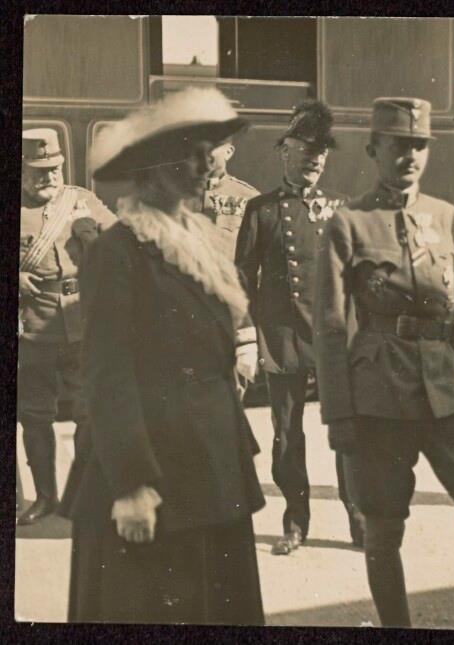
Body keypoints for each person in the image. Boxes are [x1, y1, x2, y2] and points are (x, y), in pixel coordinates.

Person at [314, 97, 454, 629]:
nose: (409, 156)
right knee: (383, 526)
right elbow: (331, 326)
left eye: (418, 146)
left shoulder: (446, 217)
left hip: (445, 385)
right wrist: (338, 413)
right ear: (374, 150)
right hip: (378, 392)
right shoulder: (348, 223)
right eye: (398, 145)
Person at [60, 87, 266, 623]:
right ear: (155, 169)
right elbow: (108, 375)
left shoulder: (198, 243)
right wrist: (132, 484)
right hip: (154, 477)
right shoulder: (117, 251)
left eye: (208, 154)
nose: (207, 167)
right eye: (192, 156)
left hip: (211, 469)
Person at [236, 99, 362, 555]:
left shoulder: (341, 208)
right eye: (306, 152)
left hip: (332, 337)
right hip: (283, 337)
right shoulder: (261, 210)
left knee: (347, 432)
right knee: (287, 434)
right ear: (284, 152)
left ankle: (359, 519)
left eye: (321, 154)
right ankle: (295, 520)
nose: (314, 162)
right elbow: (240, 278)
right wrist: (248, 336)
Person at [18, 128, 115, 526]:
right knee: (34, 415)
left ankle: (83, 495)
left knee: (88, 414)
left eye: (55, 168)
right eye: (39, 171)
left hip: (83, 324)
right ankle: (45, 498)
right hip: (33, 327)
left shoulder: (80, 200)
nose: (50, 177)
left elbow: (120, 244)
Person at [196, 140, 260, 259]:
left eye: (211, 147)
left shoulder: (250, 197)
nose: (204, 154)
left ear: (228, 152)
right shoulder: (178, 194)